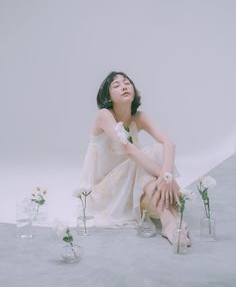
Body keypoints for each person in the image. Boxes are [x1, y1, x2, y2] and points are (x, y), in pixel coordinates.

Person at [79, 71, 191, 245]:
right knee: (145, 156)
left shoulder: (139, 117)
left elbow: (169, 144)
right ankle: (170, 219)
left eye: (127, 83)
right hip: (107, 192)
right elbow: (130, 151)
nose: (124, 86)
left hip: (133, 186)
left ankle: (171, 218)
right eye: (116, 85)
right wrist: (166, 177)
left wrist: (166, 176)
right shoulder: (104, 115)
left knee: (157, 151)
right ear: (108, 96)